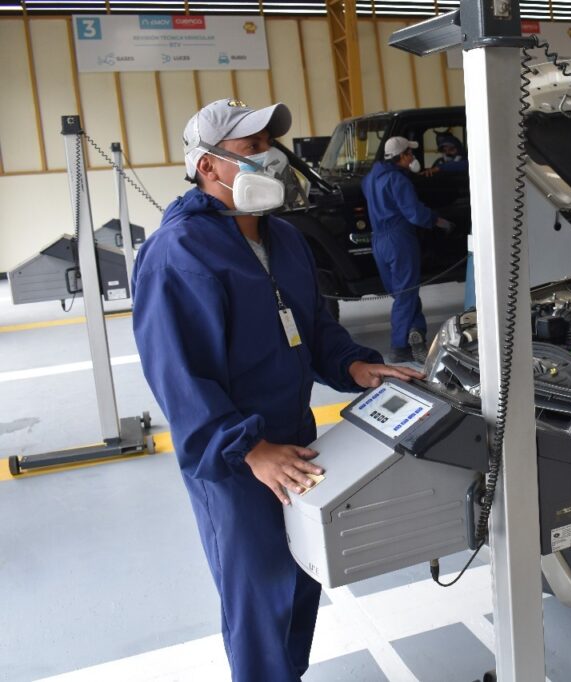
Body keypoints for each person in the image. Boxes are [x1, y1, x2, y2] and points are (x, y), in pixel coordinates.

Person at [131, 99, 422, 682]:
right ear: (207, 167)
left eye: (269, 146)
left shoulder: (284, 238)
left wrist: (356, 367)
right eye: (249, 150)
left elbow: (311, 327)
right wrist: (249, 449)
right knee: (259, 596)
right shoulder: (179, 251)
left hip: (296, 443)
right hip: (236, 461)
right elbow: (179, 376)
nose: (269, 160)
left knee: (302, 576)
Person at [361, 136, 453, 363]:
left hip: (379, 240)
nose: (413, 158)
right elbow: (414, 213)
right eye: (409, 154)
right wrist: (440, 221)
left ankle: (416, 331)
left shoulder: (371, 177)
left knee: (402, 291)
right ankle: (400, 346)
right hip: (399, 239)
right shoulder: (398, 181)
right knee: (405, 293)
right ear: (400, 157)